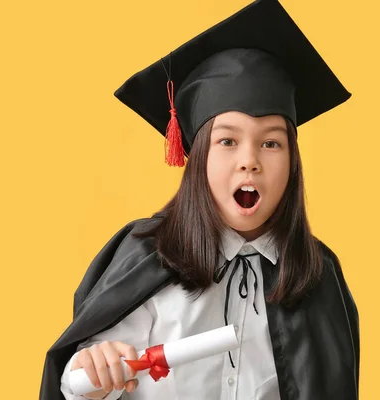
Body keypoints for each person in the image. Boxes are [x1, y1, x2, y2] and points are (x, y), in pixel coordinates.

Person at [39, 0, 360, 399]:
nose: (250, 162)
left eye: (271, 143)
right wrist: (90, 373)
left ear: (293, 161)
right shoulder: (145, 256)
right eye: (227, 140)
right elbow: (78, 382)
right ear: (198, 156)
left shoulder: (317, 274)